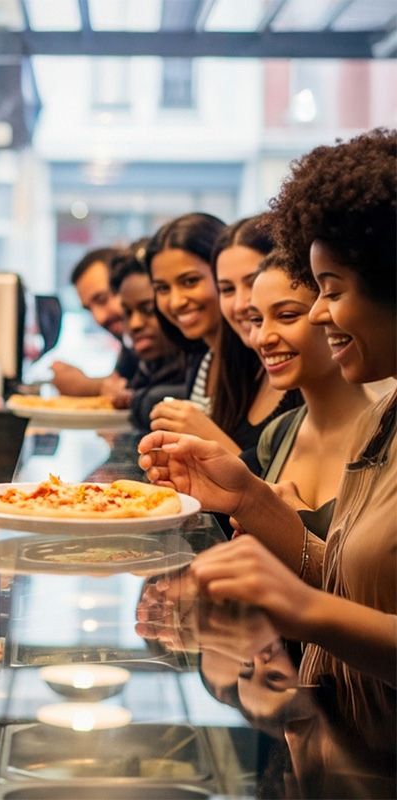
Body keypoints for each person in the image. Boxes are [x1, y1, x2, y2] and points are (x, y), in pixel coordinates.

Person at [138, 128, 396, 790]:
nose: (320, 313)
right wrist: (250, 500)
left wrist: (300, 610)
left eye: (329, 288)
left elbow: (326, 605)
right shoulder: (383, 426)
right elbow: (336, 575)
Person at [147, 213, 301, 458]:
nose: (241, 304)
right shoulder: (229, 360)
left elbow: (285, 487)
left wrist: (209, 437)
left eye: (190, 281)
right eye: (227, 289)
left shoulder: (296, 371)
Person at [247, 250, 371, 537]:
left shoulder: (385, 437)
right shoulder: (276, 435)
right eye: (255, 320)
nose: (264, 337)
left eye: (287, 316)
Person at [105, 239, 187, 428]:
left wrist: (135, 399)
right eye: (127, 313)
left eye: (148, 310)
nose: (134, 324)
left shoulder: (204, 362)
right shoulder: (143, 363)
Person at [50, 246, 138, 396]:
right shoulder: (130, 344)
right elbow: (127, 383)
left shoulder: (170, 338)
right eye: (89, 309)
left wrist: (87, 386)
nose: (99, 317)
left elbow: (149, 393)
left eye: (102, 299)